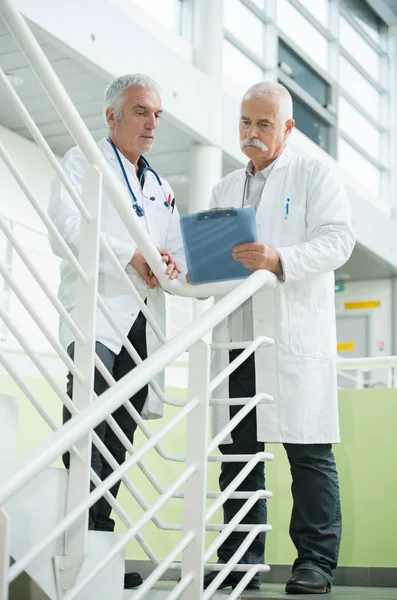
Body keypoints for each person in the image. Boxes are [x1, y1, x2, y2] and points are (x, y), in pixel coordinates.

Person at [205, 82, 355, 594]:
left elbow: (339, 240)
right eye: (245, 122)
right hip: (238, 336)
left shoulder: (315, 173)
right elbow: (212, 259)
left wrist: (280, 260)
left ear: (287, 129)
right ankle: (240, 559)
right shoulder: (224, 188)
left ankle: (315, 562)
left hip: (292, 335)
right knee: (238, 453)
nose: (251, 133)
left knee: (309, 452)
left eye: (263, 124)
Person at [48, 73, 185, 589]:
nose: (152, 124)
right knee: (87, 428)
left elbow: (174, 249)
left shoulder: (161, 186)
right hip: (97, 314)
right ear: (112, 116)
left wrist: (167, 262)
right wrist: (131, 256)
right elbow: (64, 228)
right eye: (141, 112)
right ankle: (70, 545)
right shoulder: (83, 159)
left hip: (140, 324)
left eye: (157, 115)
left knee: (119, 438)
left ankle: (99, 545)